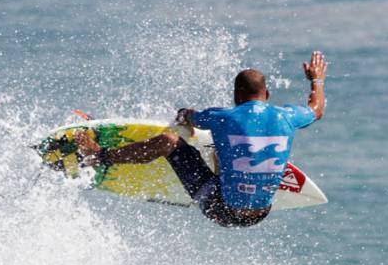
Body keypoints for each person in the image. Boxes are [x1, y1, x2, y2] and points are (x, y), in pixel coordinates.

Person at [76, 52, 329, 228]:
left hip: (219, 209)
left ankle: (98, 155)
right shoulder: (287, 116)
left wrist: (185, 115)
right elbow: (317, 109)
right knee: (221, 150)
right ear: (268, 94)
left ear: (236, 96)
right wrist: (316, 79)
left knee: (169, 142)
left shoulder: (222, 117)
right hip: (260, 213)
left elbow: (190, 117)